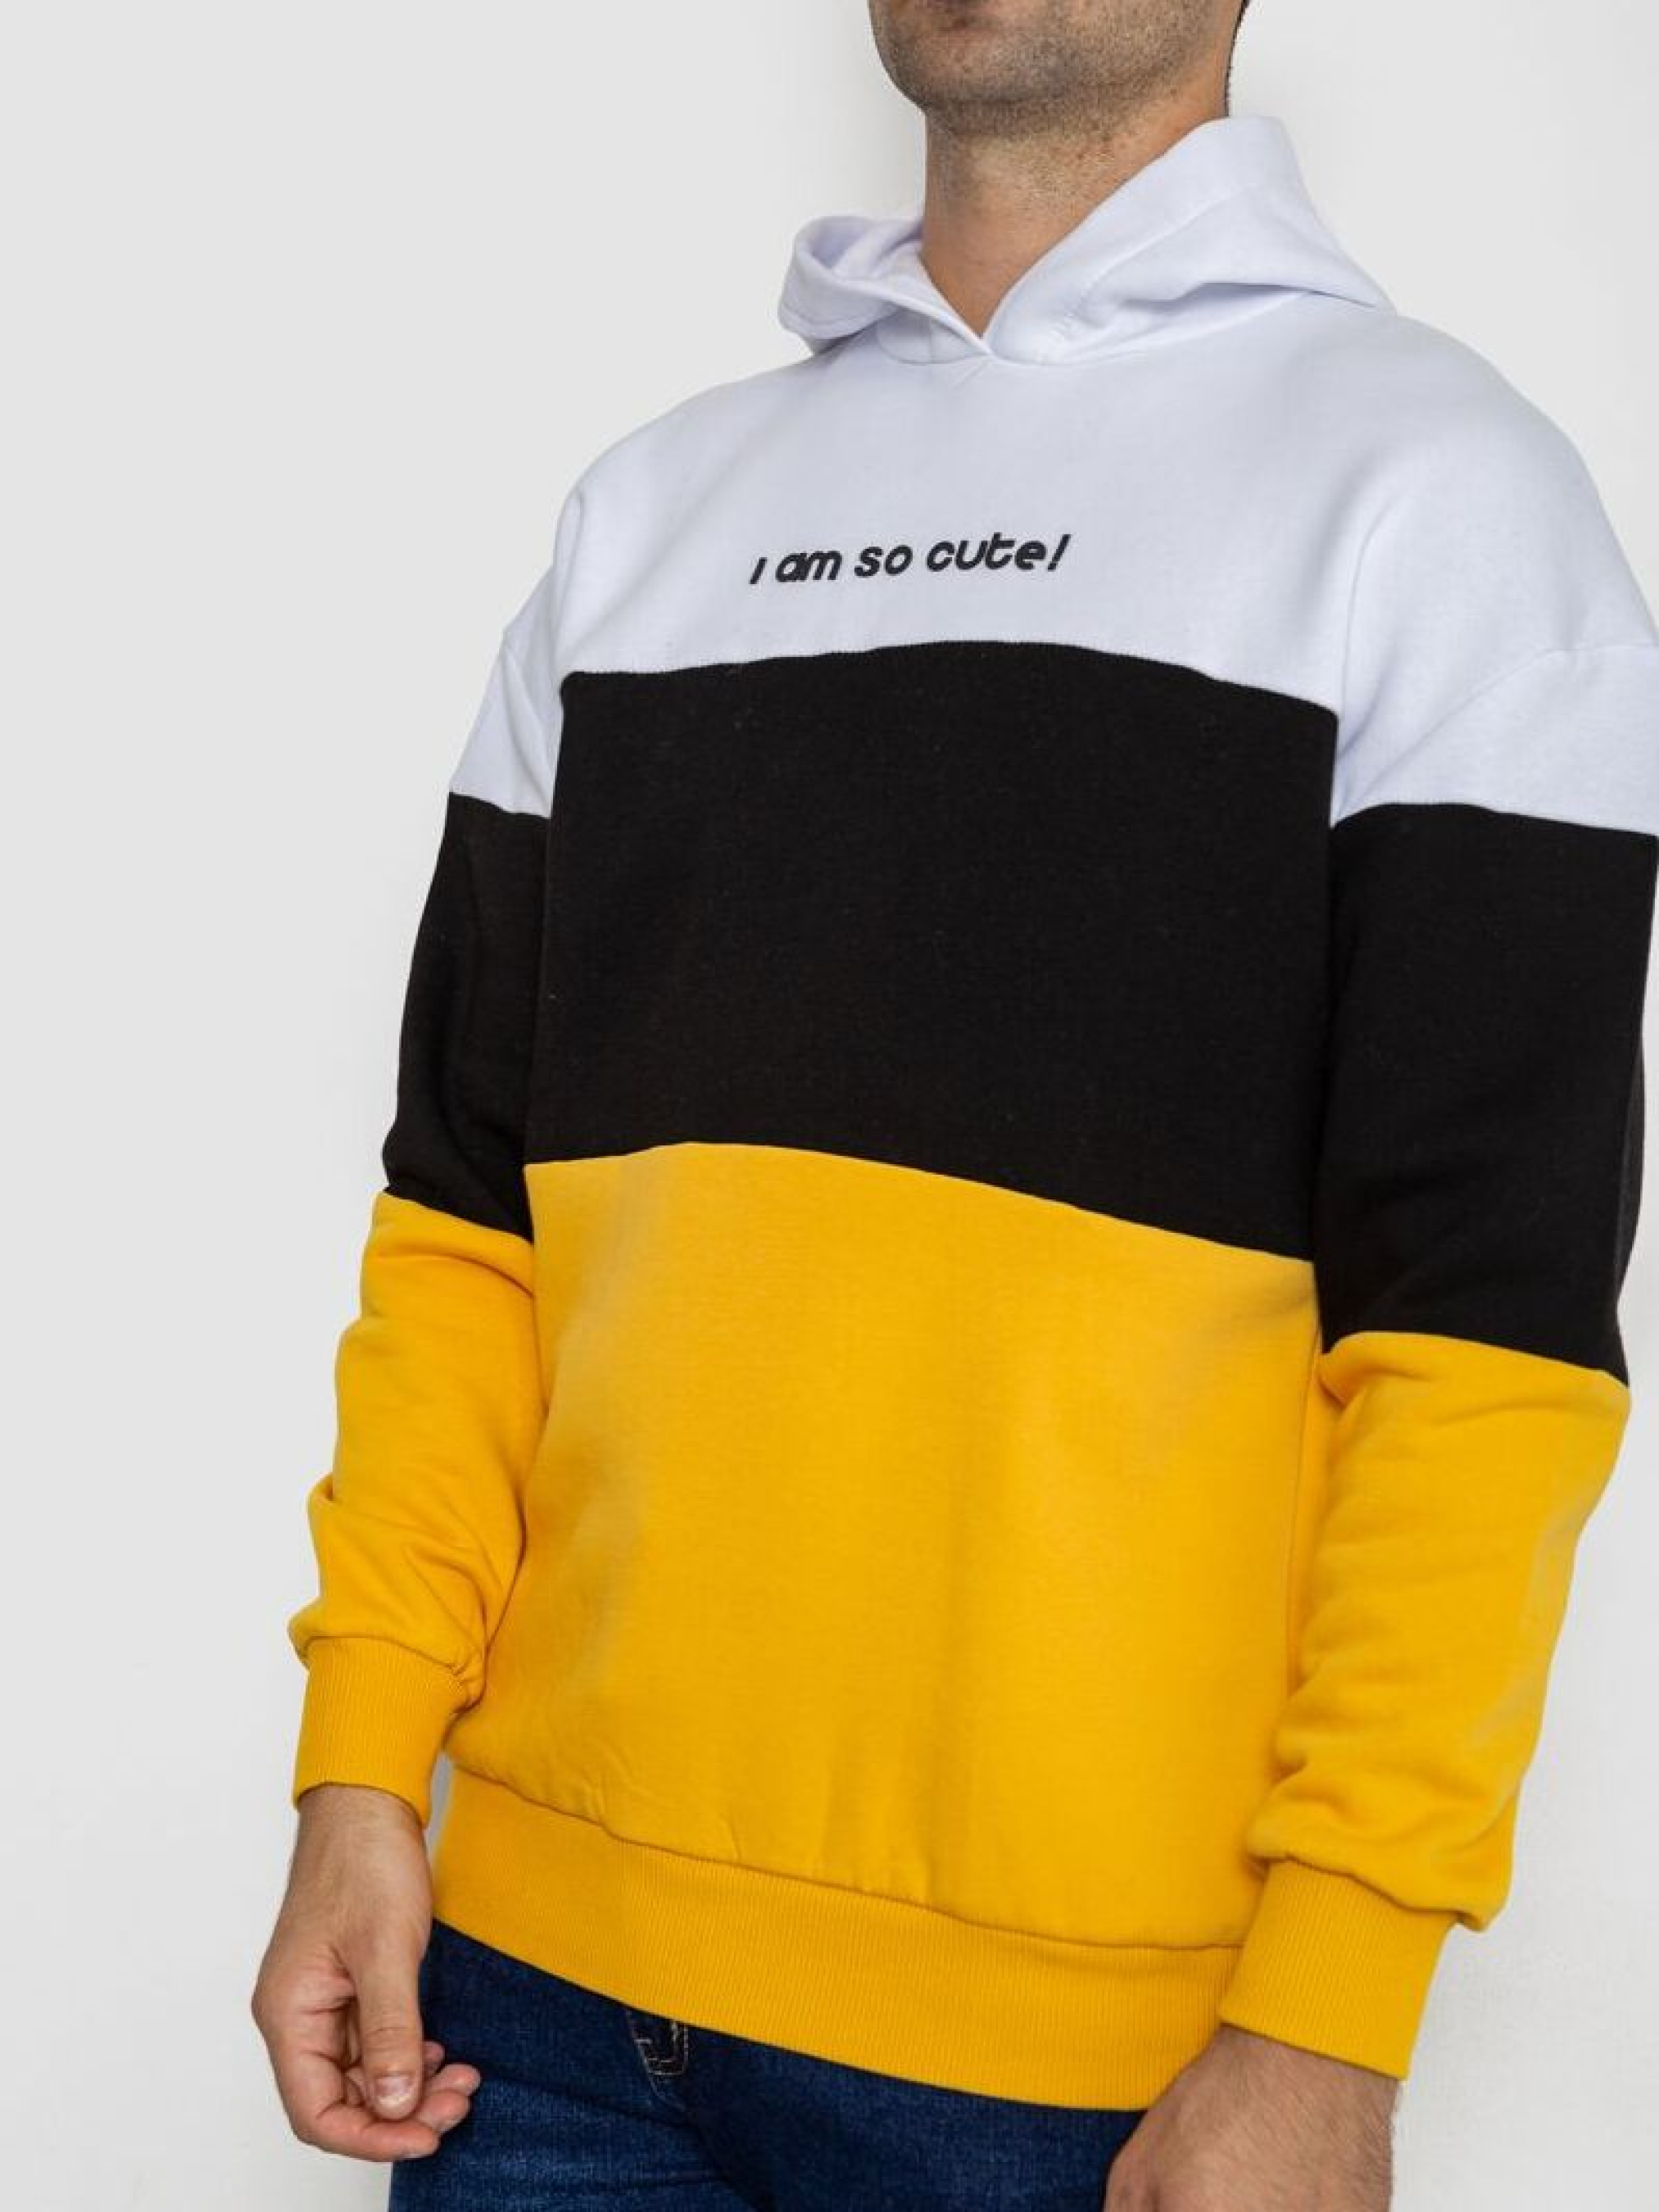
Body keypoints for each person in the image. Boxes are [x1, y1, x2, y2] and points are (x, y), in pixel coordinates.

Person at [251, 2, 1659, 2206]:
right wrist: (359, 1769)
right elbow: (466, 1232)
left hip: (1081, 2068)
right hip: (528, 2008)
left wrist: (1329, 2008)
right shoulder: (654, 514)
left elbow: (1482, 1351)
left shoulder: (1441, 501)